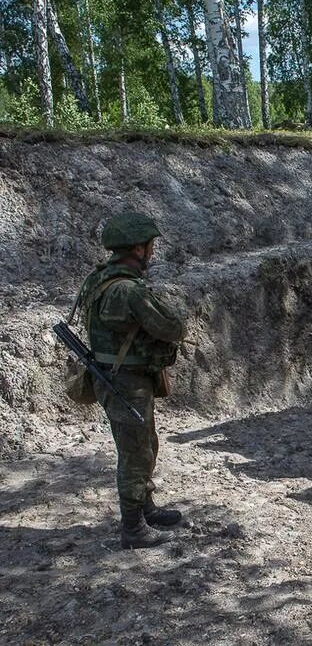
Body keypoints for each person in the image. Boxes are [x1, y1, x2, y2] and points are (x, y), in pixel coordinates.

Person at [75, 212, 187, 549]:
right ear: (138, 249)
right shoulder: (128, 291)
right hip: (127, 381)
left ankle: (145, 508)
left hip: (117, 377)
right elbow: (172, 327)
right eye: (149, 246)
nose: (151, 252)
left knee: (145, 445)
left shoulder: (98, 280)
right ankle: (134, 529)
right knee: (135, 453)